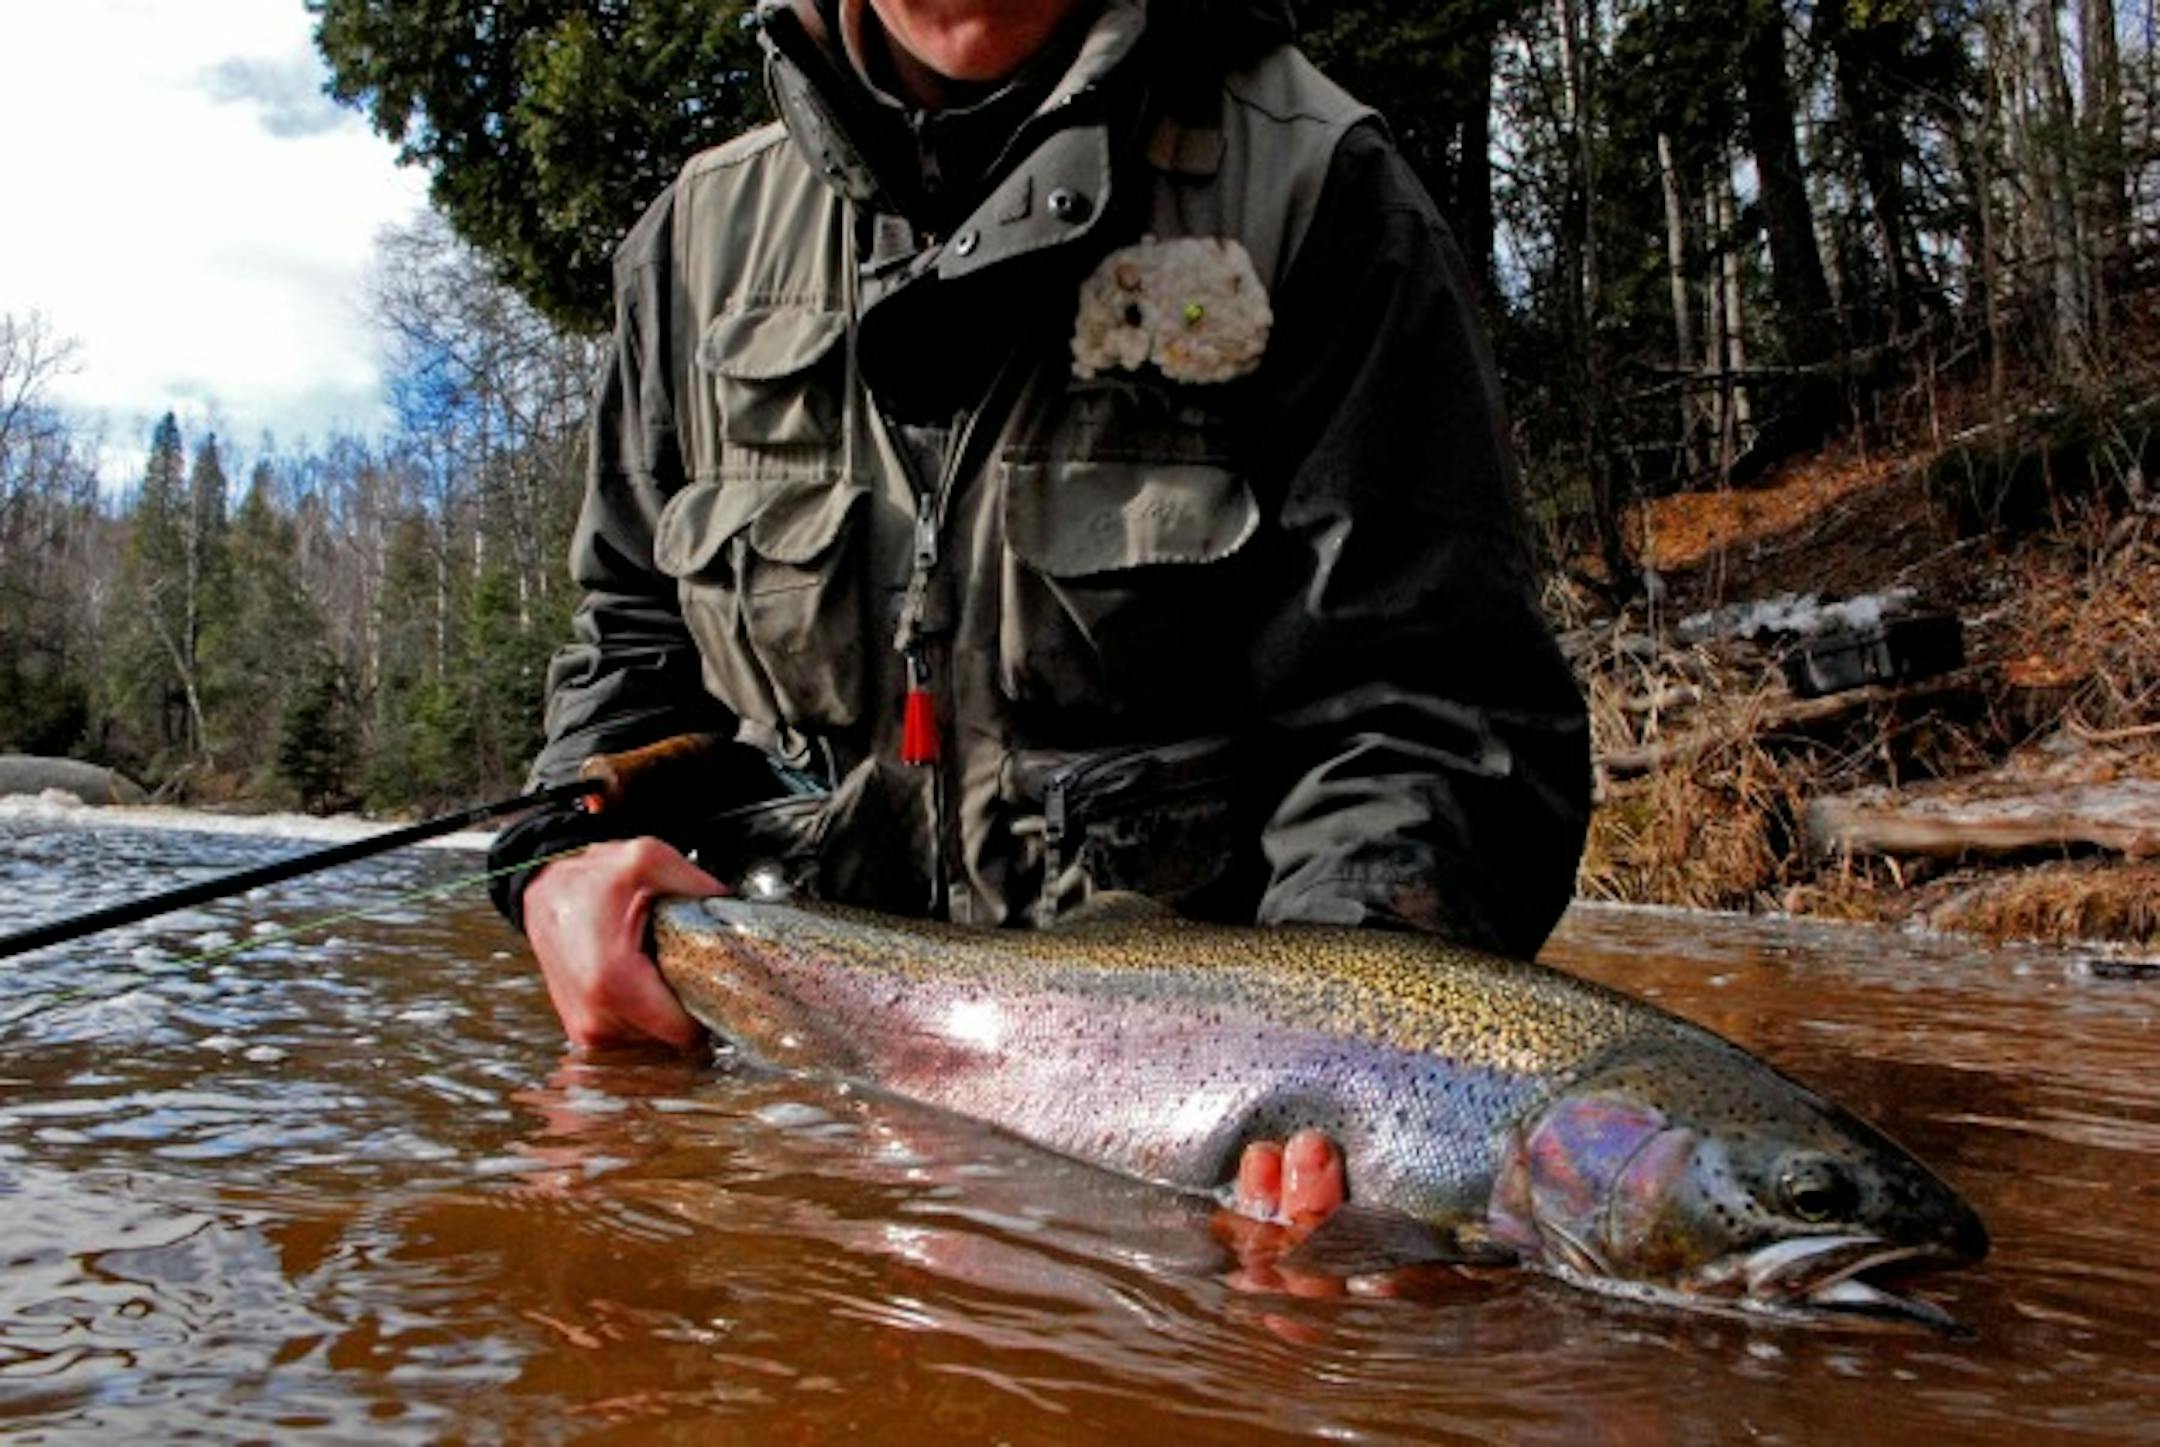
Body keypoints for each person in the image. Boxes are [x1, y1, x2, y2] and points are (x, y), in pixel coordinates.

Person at [489, 0, 1591, 1236]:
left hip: (1163, 1183)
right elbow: (630, 640)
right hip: (772, 1124)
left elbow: (1425, 710)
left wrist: (1342, 1077)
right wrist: (558, 868)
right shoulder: (693, 243)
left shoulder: (1319, 186)